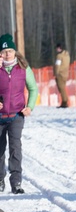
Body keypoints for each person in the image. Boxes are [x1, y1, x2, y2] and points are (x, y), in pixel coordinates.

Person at [0, 34, 38, 194]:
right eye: (4, 51)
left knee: (16, 148)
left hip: (16, 115)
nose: (7, 54)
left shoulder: (23, 68)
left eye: (10, 50)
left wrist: (30, 107)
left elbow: (33, 88)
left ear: (15, 51)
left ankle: (16, 182)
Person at [54, 42, 71, 108]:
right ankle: (64, 102)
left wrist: (56, 73)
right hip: (65, 73)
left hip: (60, 74)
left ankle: (65, 101)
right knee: (63, 88)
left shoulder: (59, 56)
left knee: (61, 89)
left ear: (59, 48)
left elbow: (57, 65)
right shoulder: (67, 55)